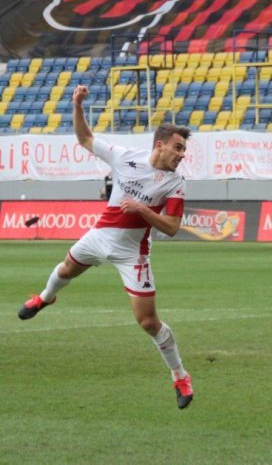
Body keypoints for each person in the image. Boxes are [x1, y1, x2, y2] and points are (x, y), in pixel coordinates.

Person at [18, 85, 194, 410]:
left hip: (133, 254)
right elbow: (85, 140)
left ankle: (180, 376)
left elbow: (171, 227)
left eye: (184, 150)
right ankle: (45, 298)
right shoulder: (125, 156)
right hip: (99, 236)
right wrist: (77, 105)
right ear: (160, 145)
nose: (182, 154)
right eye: (178, 148)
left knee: (148, 322)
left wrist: (142, 210)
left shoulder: (175, 182)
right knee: (64, 269)